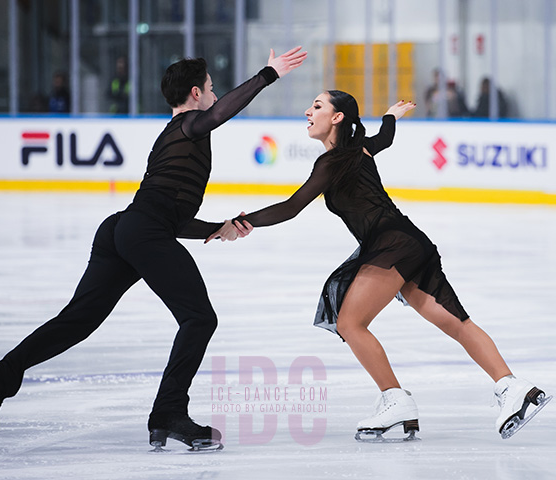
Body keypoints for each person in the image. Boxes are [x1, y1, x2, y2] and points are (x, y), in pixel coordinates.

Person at [0, 46, 307, 450]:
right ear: (195, 93)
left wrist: (219, 228)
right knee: (199, 319)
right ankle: (168, 413)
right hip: (141, 231)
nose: (215, 95)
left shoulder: (173, 137)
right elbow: (218, 116)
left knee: (78, 319)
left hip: (125, 229)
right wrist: (269, 73)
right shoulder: (191, 124)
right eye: (211, 88)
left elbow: (172, 218)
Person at [211, 92, 549, 441]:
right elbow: (384, 137)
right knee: (456, 323)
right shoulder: (361, 150)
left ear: (337, 117)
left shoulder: (332, 162)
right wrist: (390, 115)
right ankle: (513, 388)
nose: (307, 112)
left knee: (350, 323)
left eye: (316, 107)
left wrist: (238, 223)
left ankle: (396, 399)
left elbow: (292, 207)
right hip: (410, 242)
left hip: (391, 245)